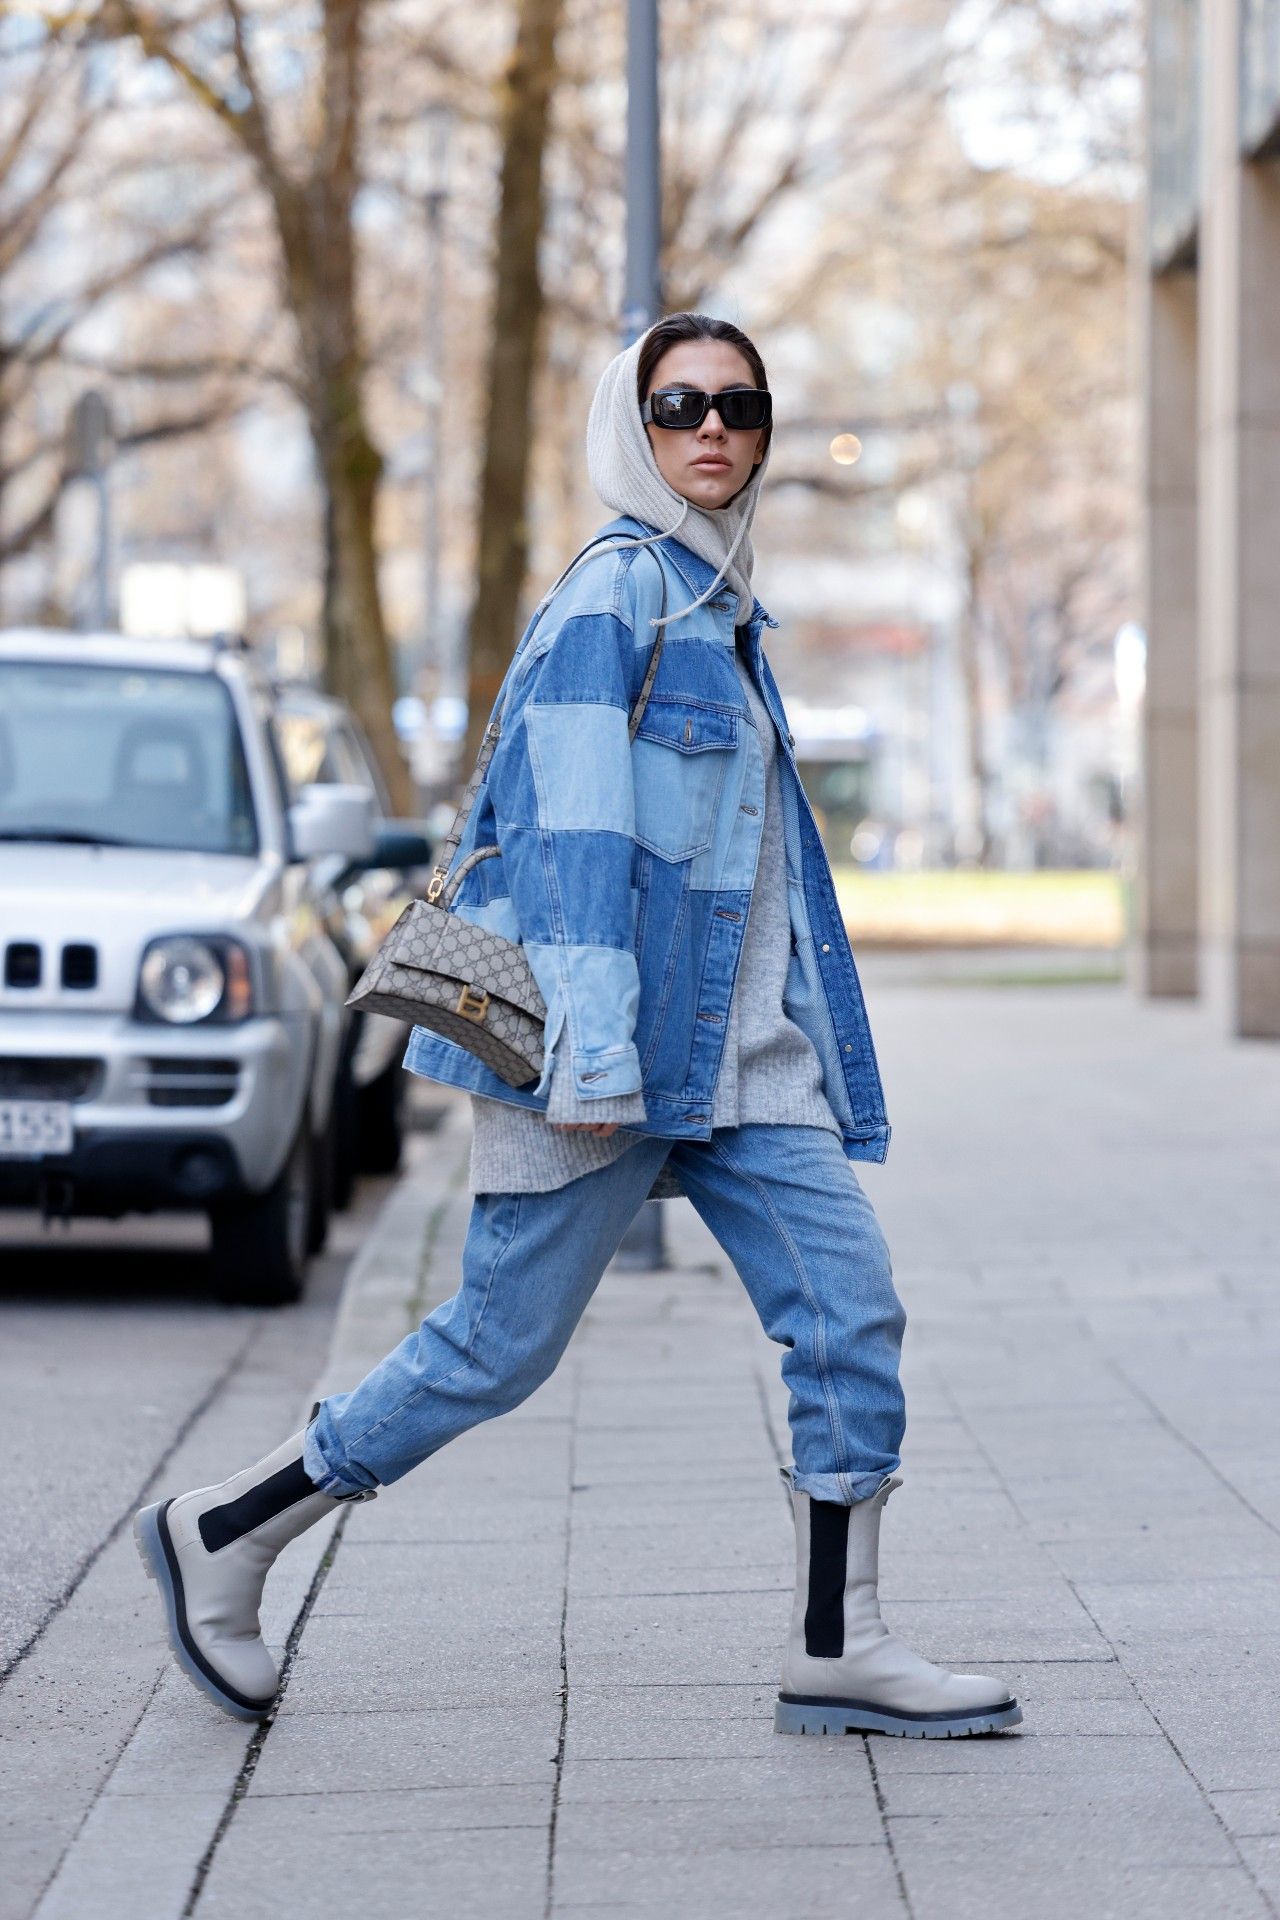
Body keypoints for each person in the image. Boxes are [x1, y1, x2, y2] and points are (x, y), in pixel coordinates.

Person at [135, 312, 1021, 1742]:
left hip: (745, 1070)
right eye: (680, 405)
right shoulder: (618, 597)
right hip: (607, 1059)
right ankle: (228, 1529)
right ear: (634, 425)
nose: (715, 428)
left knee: (851, 1310)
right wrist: (596, 1057)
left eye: (742, 404)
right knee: (495, 1347)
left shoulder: (724, 604)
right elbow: (573, 851)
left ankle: (837, 1641)